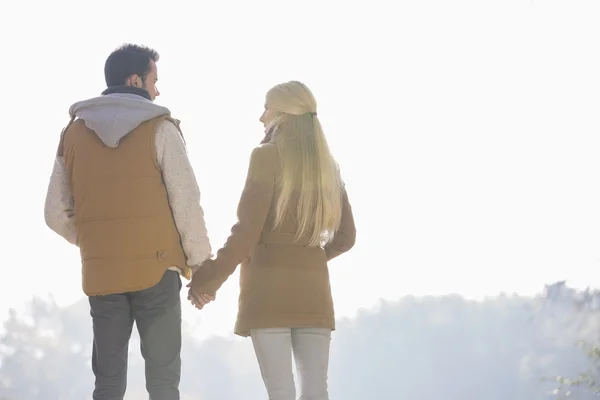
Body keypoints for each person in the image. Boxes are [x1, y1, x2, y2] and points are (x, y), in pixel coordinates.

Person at [44, 43, 213, 400]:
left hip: (102, 273)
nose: (157, 90)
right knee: (163, 382)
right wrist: (200, 263)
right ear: (135, 79)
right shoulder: (161, 128)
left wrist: (98, 240)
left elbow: (55, 213)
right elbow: (186, 202)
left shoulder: (73, 134)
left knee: (107, 383)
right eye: (154, 80)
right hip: (158, 269)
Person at [188, 80, 356, 400]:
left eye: (266, 108)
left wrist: (207, 278)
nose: (261, 117)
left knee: (280, 391)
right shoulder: (328, 168)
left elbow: (246, 232)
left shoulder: (266, 156)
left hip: (267, 290)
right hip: (314, 291)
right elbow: (346, 237)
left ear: (281, 114)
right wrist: (310, 257)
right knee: (316, 390)